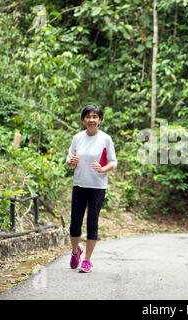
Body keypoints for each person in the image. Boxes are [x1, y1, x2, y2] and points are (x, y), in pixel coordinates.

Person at [66, 105, 117, 273]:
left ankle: (87, 260)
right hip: (79, 184)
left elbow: (113, 162)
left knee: (92, 223)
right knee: (75, 223)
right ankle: (75, 251)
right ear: (83, 120)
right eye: (88, 117)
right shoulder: (77, 138)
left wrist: (103, 169)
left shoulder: (106, 139)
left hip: (97, 187)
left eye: (95, 117)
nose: (91, 120)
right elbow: (69, 159)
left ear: (100, 120)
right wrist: (71, 162)